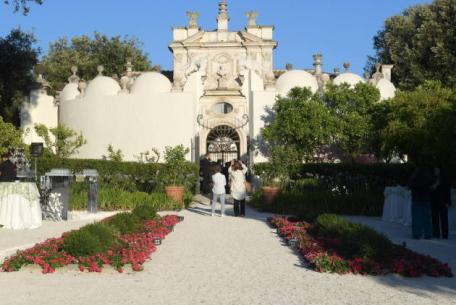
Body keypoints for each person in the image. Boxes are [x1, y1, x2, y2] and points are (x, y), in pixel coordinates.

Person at [408, 165, 439, 239]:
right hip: (426, 199)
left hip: (416, 199)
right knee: (427, 218)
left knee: (416, 218)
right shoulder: (427, 178)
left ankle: (417, 234)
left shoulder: (414, 178)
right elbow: (433, 187)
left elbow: (409, 185)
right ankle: (428, 234)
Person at [431, 167, 451, 239]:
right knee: (435, 218)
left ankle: (444, 234)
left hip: (442, 201)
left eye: (437, 170)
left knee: (444, 218)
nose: (435, 171)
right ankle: (436, 233)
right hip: (435, 201)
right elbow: (431, 189)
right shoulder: (433, 178)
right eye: (435, 170)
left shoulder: (444, 179)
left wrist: (448, 201)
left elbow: (447, 191)